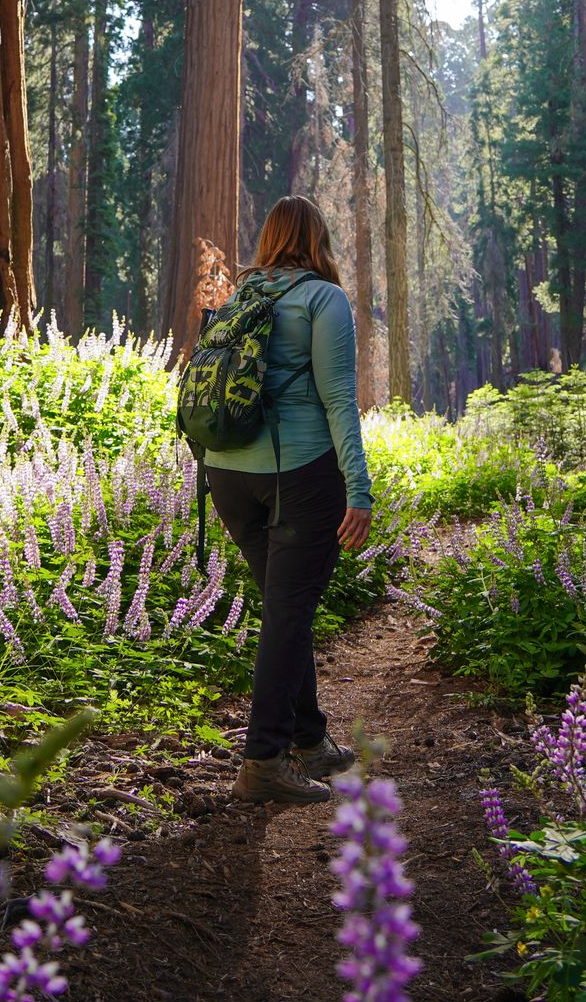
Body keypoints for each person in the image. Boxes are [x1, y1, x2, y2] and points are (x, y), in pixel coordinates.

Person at [205, 195, 372, 806]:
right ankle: (263, 760)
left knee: (284, 606)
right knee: (289, 613)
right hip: (297, 473)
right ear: (318, 239)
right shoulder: (321, 299)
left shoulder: (242, 297)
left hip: (225, 476)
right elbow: (339, 401)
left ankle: (309, 739)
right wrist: (359, 489)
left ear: (268, 238)